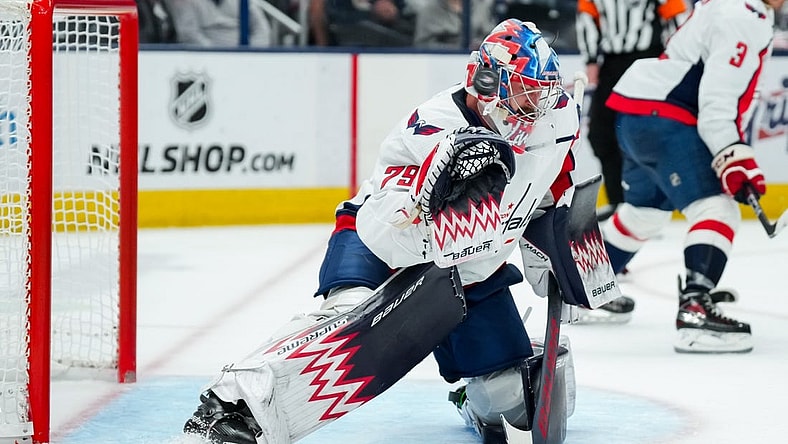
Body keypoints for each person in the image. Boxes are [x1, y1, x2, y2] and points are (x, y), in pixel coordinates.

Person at [182, 19, 592, 444]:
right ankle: (227, 406)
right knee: (346, 320)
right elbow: (397, 215)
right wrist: (446, 181)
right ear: (486, 81)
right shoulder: (433, 124)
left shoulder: (557, 118)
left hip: (470, 270)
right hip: (382, 244)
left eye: (542, 89)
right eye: (526, 89)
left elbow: (551, 189)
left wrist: (557, 261)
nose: (538, 103)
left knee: (513, 399)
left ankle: (472, 395)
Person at [600, 0, 784, 353]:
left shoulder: (731, 7)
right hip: (667, 114)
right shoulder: (741, 16)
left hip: (638, 113)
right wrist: (732, 156)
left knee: (643, 214)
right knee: (718, 209)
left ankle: (584, 292)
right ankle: (695, 308)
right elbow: (717, 100)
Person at [575, 0, 689, 221]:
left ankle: (649, 203)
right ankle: (618, 201)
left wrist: (676, 59)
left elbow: (676, 14)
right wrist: (590, 59)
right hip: (612, 63)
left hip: (649, 59)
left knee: (645, 134)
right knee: (601, 134)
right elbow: (587, 16)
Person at [165, 0, 273, 47]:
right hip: (204, 60)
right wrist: (217, 53)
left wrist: (251, 52)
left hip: (242, 58)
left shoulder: (244, 2)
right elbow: (189, 33)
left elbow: (262, 30)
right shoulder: (189, 2)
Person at [412, 0, 495, 49]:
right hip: (440, 62)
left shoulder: (481, 6)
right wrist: (454, 48)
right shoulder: (429, 10)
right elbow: (422, 44)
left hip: (480, 61)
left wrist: (480, 46)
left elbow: (491, 36)